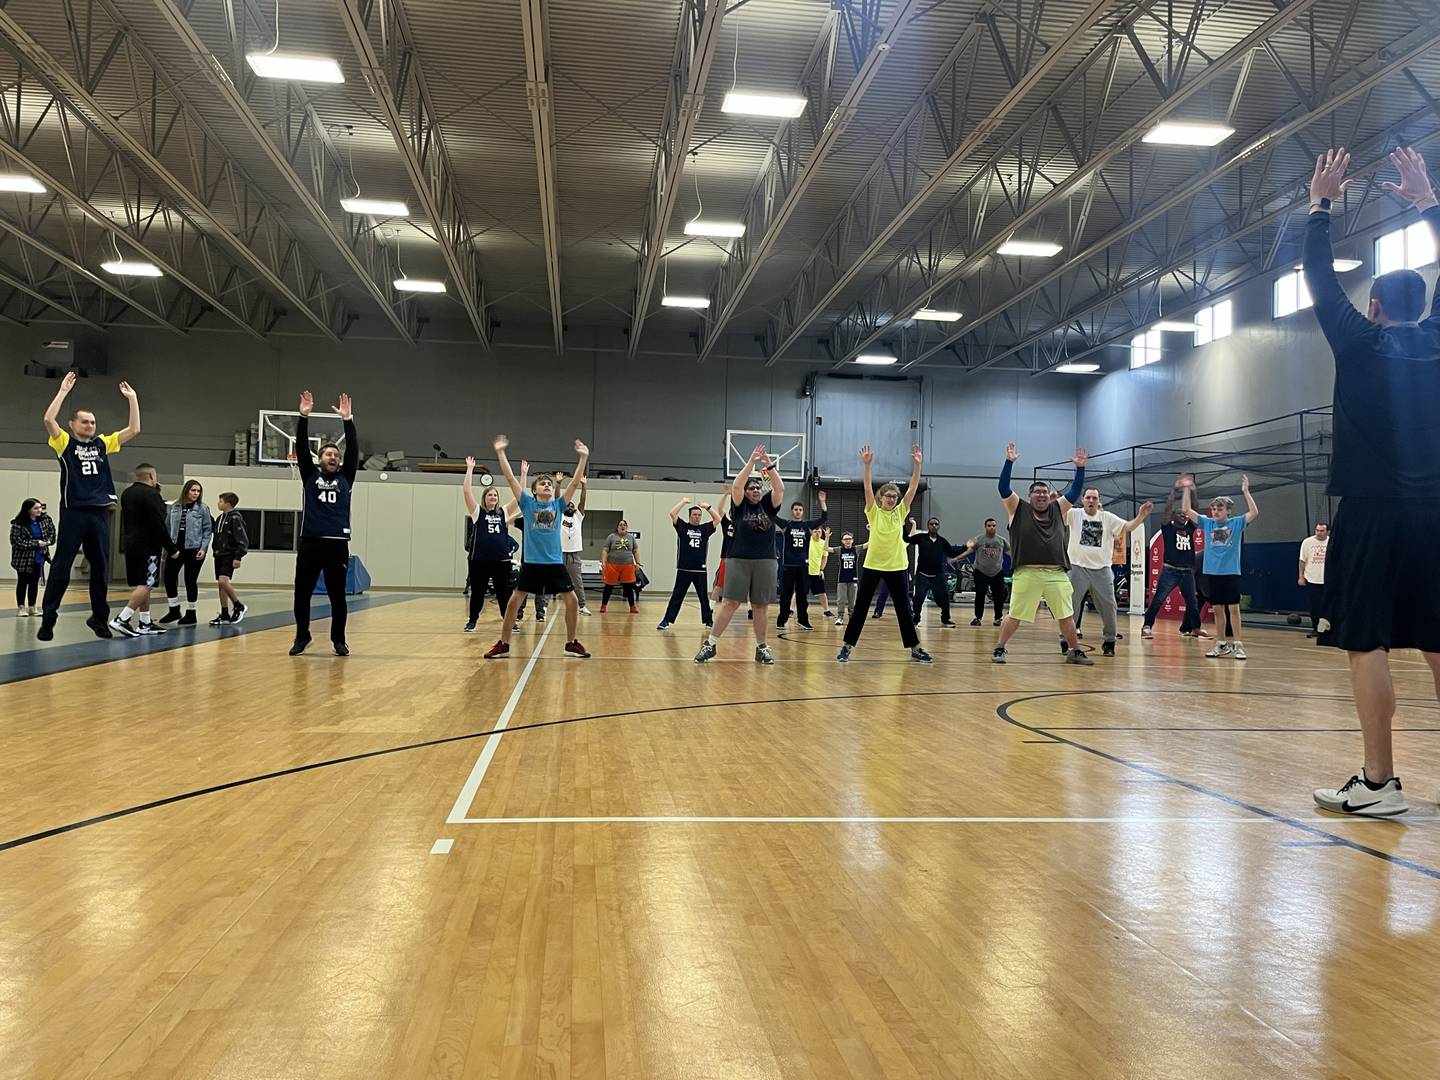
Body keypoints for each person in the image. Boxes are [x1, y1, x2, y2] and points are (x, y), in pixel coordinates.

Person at [1303, 147, 1440, 816]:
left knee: (1368, 643)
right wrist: (1428, 203)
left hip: (1371, 511)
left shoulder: (1358, 342)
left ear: (1377, 305)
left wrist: (1321, 204)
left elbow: (1319, 279)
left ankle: (1380, 782)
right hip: (1437, 513)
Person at [37, 374, 141, 641]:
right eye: (85, 421)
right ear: (72, 425)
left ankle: (99, 617)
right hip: (74, 511)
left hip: (99, 512)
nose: (90, 425)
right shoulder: (65, 444)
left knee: (100, 567)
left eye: (93, 422)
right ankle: (49, 617)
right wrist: (62, 391)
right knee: (61, 566)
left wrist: (133, 400)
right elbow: (49, 420)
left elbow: (133, 430)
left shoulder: (102, 444)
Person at [483, 436, 591, 659]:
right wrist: (501, 453)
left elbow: (572, 483)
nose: (548, 485)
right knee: (514, 601)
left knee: (571, 601)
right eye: (543, 483)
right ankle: (504, 643)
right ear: (534, 491)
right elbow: (510, 478)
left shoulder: (558, 505)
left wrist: (584, 458)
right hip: (531, 564)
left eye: (549, 483)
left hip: (554, 564)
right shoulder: (527, 503)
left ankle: (571, 642)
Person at [991, 443, 1092, 666]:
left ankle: (1074, 651)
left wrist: (1081, 468)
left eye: (1045, 492)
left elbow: (1074, 492)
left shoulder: (1059, 508)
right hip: (1027, 572)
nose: (1042, 495)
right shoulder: (1017, 508)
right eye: (1037, 492)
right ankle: (999, 648)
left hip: (1056, 573)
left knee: (1066, 615)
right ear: (1030, 495)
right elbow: (1003, 488)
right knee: (1015, 616)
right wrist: (1009, 462)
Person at [837, 445, 932, 664]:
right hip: (873, 566)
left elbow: (913, 488)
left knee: (904, 610)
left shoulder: (901, 512)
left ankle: (915, 649)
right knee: (860, 608)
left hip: (898, 566)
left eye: (893, 496)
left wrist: (918, 465)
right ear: (881, 499)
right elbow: (868, 488)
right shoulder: (873, 512)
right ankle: (847, 647)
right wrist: (867, 465)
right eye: (887, 495)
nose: (891, 498)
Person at [695, 445, 785, 663]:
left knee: (760, 606)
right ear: (745, 492)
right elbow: (736, 485)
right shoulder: (739, 506)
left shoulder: (769, 506)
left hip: (765, 560)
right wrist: (751, 463)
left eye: (757, 488)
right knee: (730, 603)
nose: (755, 490)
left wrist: (768, 465)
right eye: (751, 488)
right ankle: (711, 644)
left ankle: (761, 647)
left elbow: (779, 488)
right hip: (739, 559)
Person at [291, 390, 357, 657]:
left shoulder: (346, 479)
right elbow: (300, 447)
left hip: (337, 544)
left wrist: (348, 420)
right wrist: (303, 416)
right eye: (328, 454)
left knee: (337, 596)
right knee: (301, 594)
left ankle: (339, 640)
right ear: (319, 459)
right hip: (310, 542)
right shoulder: (309, 476)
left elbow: (353, 450)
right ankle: (302, 636)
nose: (333, 457)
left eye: (335, 455)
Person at [1062, 489, 1152, 657]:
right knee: (1070, 606)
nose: (1091, 500)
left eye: (1094, 498)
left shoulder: (1108, 518)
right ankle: (1066, 639)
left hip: (1102, 570)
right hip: (1077, 568)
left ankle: (1109, 641)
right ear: (1082, 500)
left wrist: (1141, 516)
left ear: (1098, 501)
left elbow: (1127, 527)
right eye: (1088, 497)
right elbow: (1057, 513)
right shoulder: (1074, 514)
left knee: (1110, 606)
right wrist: (1055, 501)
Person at [1180, 477, 1259, 660]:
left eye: (1220, 509)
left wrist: (1246, 491)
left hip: (1230, 573)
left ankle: (1238, 645)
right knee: (1217, 610)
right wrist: (1186, 490)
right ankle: (1221, 644)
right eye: (1214, 509)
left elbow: (1254, 512)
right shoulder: (1208, 523)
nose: (1215, 512)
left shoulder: (1236, 523)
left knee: (1233, 609)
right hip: (1212, 574)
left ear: (1228, 511)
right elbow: (1186, 510)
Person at [111, 463, 178, 638]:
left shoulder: (127, 493)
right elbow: (158, 523)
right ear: (151, 476)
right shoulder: (151, 494)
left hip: (131, 545)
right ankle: (123, 618)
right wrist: (171, 548)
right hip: (148, 546)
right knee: (148, 583)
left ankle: (145, 622)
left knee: (143, 582)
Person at [1141, 479, 1205, 639]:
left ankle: (1196, 628)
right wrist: (1173, 492)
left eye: (1184, 515)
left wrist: (1192, 491)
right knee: (1158, 600)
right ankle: (1146, 626)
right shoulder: (1168, 528)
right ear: (1173, 517)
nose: (1183, 516)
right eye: (1180, 514)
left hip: (1187, 573)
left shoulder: (1189, 529)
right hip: (1170, 571)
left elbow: (1194, 509)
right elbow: (1168, 509)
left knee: (1193, 602)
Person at [462, 455, 520, 633]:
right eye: (489, 495)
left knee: (504, 594)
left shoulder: (503, 512)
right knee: (478, 593)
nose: (493, 497)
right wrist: (470, 469)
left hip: (501, 561)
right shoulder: (478, 512)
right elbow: (466, 492)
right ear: (485, 498)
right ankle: (472, 621)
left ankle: (509, 621)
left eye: (495, 495)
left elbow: (519, 496)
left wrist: (523, 475)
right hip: (479, 560)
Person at [658, 497, 720, 630]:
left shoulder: (705, 529)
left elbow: (718, 519)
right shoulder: (683, 527)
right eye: (694, 515)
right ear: (690, 516)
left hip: (700, 570)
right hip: (684, 569)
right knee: (677, 596)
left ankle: (708, 621)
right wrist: (683, 502)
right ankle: (666, 620)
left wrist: (707, 506)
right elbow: (672, 514)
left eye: (699, 515)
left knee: (703, 598)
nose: (697, 517)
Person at [159, 479, 212, 626]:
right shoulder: (174, 506)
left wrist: (203, 548)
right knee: (169, 577)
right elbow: (167, 528)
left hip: (194, 549)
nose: (196, 493)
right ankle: (174, 609)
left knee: (190, 580)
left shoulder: (202, 508)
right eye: (193, 490)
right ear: (186, 491)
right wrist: (167, 548)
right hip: (176, 548)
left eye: (198, 491)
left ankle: (191, 612)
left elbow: (208, 530)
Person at [776, 494, 829, 630]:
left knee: (802, 596)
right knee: (786, 595)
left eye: (800, 510)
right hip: (788, 565)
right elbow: (773, 517)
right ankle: (782, 620)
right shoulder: (786, 525)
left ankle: (803, 620)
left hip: (803, 565)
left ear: (803, 512)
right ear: (792, 511)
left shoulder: (807, 526)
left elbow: (824, 518)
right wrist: (775, 500)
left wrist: (822, 503)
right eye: (796, 509)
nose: (798, 511)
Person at [907, 516, 966, 627]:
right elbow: (907, 540)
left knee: (944, 598)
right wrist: (904, 526)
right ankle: (915, 619)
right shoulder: (921, 538)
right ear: (928, 526)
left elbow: (952, 553)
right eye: (931, 524)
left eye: (936, 524)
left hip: (937, 576)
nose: (934, 526)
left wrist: (966, 547)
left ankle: (945, 619)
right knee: (918, 598)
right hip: (922, 575)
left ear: (939, 526)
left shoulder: (942, 541)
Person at [957, 519, 1009, 626]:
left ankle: (998, 618)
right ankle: (977, 618)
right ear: (985, 527)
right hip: (981, 571)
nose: (992, 528)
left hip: (997, 572)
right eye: (989, 525)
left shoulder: (1001, 541)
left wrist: (1021, 560)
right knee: (980, 595)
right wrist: (956, 558)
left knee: (998, 596)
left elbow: (1010, 552)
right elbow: (969, 551)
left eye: (994, 526)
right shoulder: (979, 539)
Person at [210, 492, 249, 626]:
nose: (218, 503)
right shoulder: (220, 518)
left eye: (220, 501)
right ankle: (224, 613)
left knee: (223, 580)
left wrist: (238, 556)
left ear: (227, 503)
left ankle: (238, 605)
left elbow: (242, 539)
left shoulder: (235, 518)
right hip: (218, 554)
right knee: (221, 585)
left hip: (229, 555)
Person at [10, 499, 54, 617]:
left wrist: (48, 541)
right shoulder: (18, 523)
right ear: (28, 510)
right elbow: (16, 541)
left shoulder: (46, 520)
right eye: (36, 508)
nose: (39, 510)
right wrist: (36, 543)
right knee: (23, 582)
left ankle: (32, 606)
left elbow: (52, 534)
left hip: (39, 556)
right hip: (23, 558)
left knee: (34, 582)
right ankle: (21, 607)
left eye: (40, 507)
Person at [559, 473, 592, 616]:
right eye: (568, 504)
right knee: (551, 579)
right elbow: (557, 499)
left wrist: (584, 486)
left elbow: (582, 502)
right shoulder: (559, 515)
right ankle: (544, 608)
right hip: (559, 553)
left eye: (572, 505)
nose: (571, 506)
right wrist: (559, 485)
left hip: (574, 553)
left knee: (578, 582)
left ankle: (582, 606)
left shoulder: (578, 517)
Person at [600, 520, 641, 613]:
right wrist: (603, 562)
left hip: (627, 566)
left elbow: (635, 551)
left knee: (628, 587)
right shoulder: (611, 537)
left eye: (624, 525)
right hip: (612, 565)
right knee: (608, 587)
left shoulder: (631, 537)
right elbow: (605, 550)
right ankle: (603, 605)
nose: (622, 526)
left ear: (627, 527)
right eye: (620, 525)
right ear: (617, 527)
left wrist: (638, 563)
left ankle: (632, 607)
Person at [1298, 521, 1329, 638]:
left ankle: (1328, 629)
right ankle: (1315, 628)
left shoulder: (1331, 542)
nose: (1319, 533)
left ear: (1327, 532)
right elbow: (1302, 561)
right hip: (1312, 579)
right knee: (1314, 606)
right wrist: (1301, 576)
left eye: (1322, 531)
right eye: (1317, 530)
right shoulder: (1307, 542)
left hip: (1327, 580)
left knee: (1327, 606)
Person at [832, 533, 865, 625]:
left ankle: (852, 617)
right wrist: (826, 537)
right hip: (842, 579)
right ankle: (840, 617)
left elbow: (869, 544)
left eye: (849, 539)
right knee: (841, 600)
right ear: (842, 541)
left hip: (853, 578)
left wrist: (872, 531)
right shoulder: (840, 550)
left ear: (852, 540)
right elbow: (826, 548)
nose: (848, 541)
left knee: (852, 601)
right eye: (845, 539)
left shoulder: (856, 549)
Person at [807, 526, 834, 620]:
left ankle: (826, 610)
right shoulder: (807, 541)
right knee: (798, 591)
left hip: (816, 572)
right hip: (805, 571)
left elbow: (825, 557)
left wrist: (821, 569)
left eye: (819, 532)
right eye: (815, 531)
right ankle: (791, 610)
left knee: (822, 592)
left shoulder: (823, 543)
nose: (817, 533)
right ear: (812, 532)